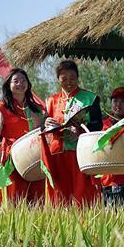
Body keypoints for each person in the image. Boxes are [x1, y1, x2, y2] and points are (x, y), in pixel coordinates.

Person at [0, 68, 46, 202]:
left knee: (37, 195)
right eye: (16, 81)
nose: (20, 84)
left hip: (35, 157)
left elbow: (42, 130)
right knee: (15, 194)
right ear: (8, 85)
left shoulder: (36, 109)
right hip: (13, 157)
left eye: (23, 80)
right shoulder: (1, 108)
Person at [42, 60, 102, 205]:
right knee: (60, 195)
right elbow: (42, 127)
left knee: (83, 192)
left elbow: (98, 124)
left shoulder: (90, 98)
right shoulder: (51, 100)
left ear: (78, 77)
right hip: (57, 154)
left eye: (72, 78)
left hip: (81, 152)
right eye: (64, 79)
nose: (68, 82)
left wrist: (82, 129)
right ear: (58, 80)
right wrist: (46, 123)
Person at [100, 87, 124, 207]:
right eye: (115, 101)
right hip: (107, 179)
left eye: (123, 101)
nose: (118, 105)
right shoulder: (103, 124)